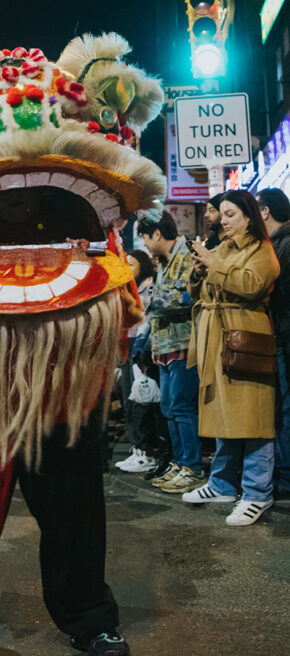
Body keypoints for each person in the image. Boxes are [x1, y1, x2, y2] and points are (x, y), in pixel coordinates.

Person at [183, 190, 280, 526]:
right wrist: (198, 272)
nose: (223, 221)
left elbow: (253, 285)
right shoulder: (223, 248)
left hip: (245, 336)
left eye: (230, 214)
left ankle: (256, 493)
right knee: (222, 412)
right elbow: (199, 290)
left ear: (250, 216)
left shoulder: (261, 248)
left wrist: (214, 264)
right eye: (221, 214)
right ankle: (222, 483)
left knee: (253, 416)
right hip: (216, 335)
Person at [136, 211, 204, 493]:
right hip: (165, 345)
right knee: (169, 408)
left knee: (182, 407)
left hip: (185, 343)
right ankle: (179, 461)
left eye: (145, 237)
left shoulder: (188, 254)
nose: (145, 244)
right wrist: (153, 344)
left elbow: (189, 295)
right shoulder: (163, 261)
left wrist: (150, 303)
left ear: (157, 234)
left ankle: (193, 467)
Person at [257, 188, 290, 500]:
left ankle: (286, 478)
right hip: (279, 338)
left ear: (264, 212)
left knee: (285, 411)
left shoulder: (284, 246)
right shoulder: (276, 245)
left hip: (283, 338)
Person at [115, 249, 159, 472]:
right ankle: (138, 449)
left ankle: (147, 451)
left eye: (132, 264)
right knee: (129, 398)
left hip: (140, 346)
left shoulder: (149, 287)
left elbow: (147, 319)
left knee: (141, 400)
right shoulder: (126, 288)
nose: (128, 269)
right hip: (126, 344)